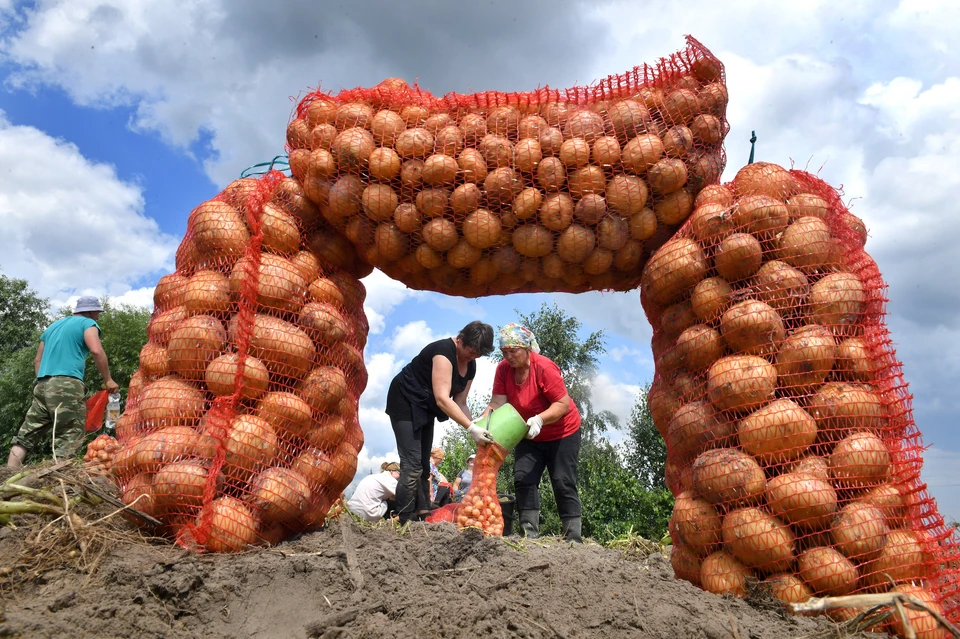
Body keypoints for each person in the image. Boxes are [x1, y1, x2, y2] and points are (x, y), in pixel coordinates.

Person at [385, 320, 495, 524]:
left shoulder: (471, 366)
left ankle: (423, 515)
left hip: (425, 406)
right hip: (404, 400)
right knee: (412, 465)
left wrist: (476, 428)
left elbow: (460, 402)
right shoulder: (443, 352)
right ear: (460, 339)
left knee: (424, 467)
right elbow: (443, 399)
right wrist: (470, 427)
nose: (472, 357)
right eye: (470, 351)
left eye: (477, 355)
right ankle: (403, 519)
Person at [481, 323, 583, 542]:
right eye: (504, 352)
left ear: (526, 348)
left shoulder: (544, 368)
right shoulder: (503, 370)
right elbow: (497, 403)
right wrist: (479, 424)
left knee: (562, 481)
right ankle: (530, 535)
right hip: (528, 435)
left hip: (562, 432)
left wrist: (540, 419)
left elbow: (562, 404)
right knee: (523, 478)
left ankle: (573, 539)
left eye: (513, 351)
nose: (508, 356)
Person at [6, 296, 119, 469]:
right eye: (97, 312)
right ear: (90, 311)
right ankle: (61, 481)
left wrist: (43, 383)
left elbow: (37, 361)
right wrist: (108, 380)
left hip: (42, 384)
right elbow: (96, 351)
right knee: (69, 435)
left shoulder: (52, 327)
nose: (98, 316)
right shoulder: (87, 324)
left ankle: (7, 475)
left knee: (26, 434)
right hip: (66, 385)